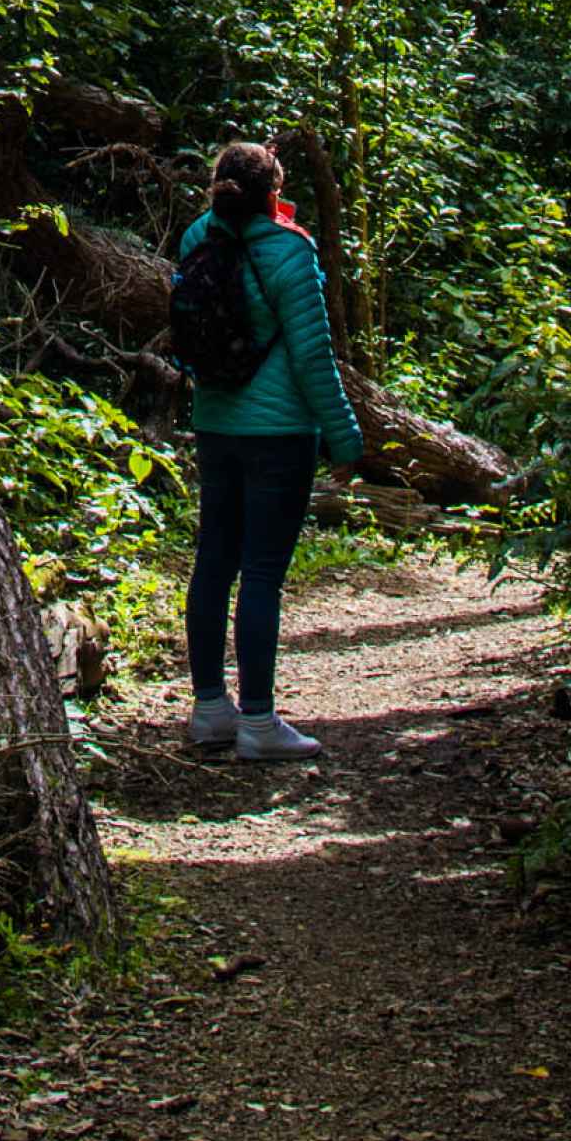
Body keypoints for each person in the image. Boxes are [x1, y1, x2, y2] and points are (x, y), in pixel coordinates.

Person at [177, 136, 365, 761]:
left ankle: (209, 710)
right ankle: (257, 722)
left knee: (213, 562)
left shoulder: (196, 238)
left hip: (215, 423)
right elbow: (313, 358)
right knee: (260, 573)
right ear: (274, 193)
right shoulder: (290, 250)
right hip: (279, 434)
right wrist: (345, 438)